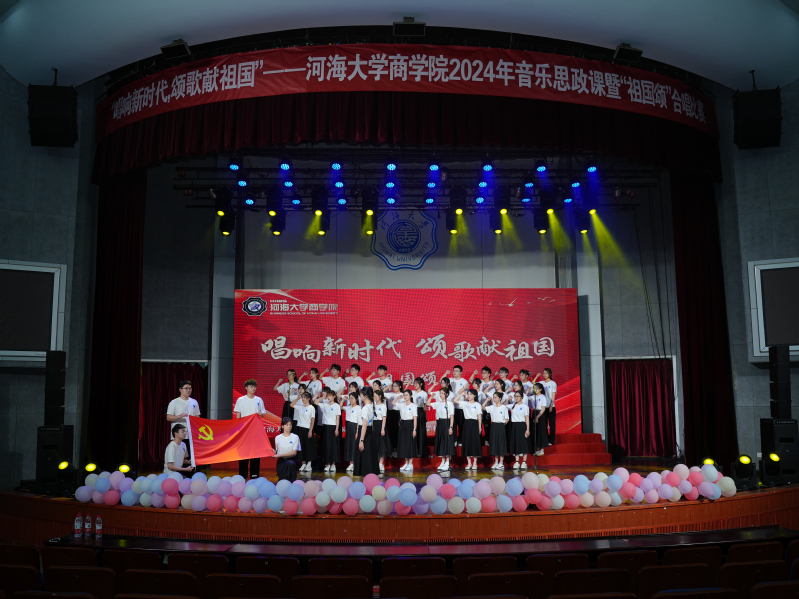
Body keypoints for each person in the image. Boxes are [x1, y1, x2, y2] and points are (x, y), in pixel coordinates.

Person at [234, 379, 266, 479]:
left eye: (254, 387)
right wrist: (238, 429)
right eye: (251, 386)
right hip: (244, 430)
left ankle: (254, 474)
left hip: (256, 430)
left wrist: (261, 414)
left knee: (255, 452)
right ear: (246, 388)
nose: (253, 388)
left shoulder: (259, 400)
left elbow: (263, 414)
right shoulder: (240, 400)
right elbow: (238, 415)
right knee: (243, 452)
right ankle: (242, 475)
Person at [166, 380, 201, 462]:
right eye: (186, 388)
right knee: (179, 458)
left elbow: (197, 417)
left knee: (190, 458)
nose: (189, 390)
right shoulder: (174, 402)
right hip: (179, 436)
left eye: (190, 388)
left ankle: (191, 470)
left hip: (191, 435)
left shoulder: (194, 402)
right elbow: (168, 417)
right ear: (180, 389)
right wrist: (179, 416)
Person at [427, 387, 455, 471]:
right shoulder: (438, 403)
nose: (441, 395)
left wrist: (451, 427)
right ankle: (442, 462)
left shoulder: (449, 404)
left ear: (447, 394)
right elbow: (428, 403)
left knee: (447, 442)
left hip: (446, 423)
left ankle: (447, 462)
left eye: (442, 393)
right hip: (439, 423)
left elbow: (452, 416)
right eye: (440, 393)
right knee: (441, 442)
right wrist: (431, 396)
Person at [315, 387, 341, 472]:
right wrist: (323, 397)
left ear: (334, 396)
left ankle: (333, 464)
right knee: (326, 445)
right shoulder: (325, 405)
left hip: (333, 427)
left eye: (330, 396)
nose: (329, 397)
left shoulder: (336, 406)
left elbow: (337, 418)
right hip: (325, 427)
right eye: (328, 396)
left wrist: (337, 429)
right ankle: (327, 464)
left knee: (333, 445)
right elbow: (315, 402)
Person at [354, 387, 379, 476]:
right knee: (369, 456)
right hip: (369, 433)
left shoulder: (365, 408)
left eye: (361, 394)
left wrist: (361, 440)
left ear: (365, 396)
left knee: (365, 456)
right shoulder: (371, 406)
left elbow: (364, 425)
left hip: (365, 433)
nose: (360, 396)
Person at [456, 389, 483, 470]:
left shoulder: (477, 405)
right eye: (468, 394)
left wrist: (479, 427)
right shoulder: (465, 403)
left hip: (474, 423)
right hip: (466, 424)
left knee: (475, 443)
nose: (469, 396)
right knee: (467, 442)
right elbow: (455, 400)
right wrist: (462, 395)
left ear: (474, 395)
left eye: (470, 394)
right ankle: (469, 463)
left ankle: (475, 463)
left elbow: (479, 416)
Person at [483, 391, 509, 469]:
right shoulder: (492, 407)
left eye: (495, 397)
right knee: (494, 443)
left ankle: (501, 463)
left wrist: (501, 425)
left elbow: (507, 419)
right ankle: (496, 462)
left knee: (501, 443)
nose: (494, 399)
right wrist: (486, 400)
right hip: (494, 425)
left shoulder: (504, 407)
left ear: (500, 398)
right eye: (493, 397)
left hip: (501, 426)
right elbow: (483, 407)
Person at [292, 392, 317, 472]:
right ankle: (303, 463)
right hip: (299, 428)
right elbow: (291, 405)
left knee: (308, 447)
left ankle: (309, 464)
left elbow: (312, 420)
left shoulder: (311, 408)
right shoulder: (300, 407)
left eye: (304, 397)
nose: (303, 399)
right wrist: (297, 399)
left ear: (309, 399)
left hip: (307, 429)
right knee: (301, 446)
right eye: (302, 397)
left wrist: (310, 431)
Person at [395, 389, 418, 472]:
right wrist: (398, 397)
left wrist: (414, 429)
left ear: (411, 396)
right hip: (402, 425)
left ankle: (410, 464)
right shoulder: (402, 404)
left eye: (407, 395)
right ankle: (406, 462)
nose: (405, 396)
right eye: (404, 395)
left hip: (409, 425)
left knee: (409, 444)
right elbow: (393, 403)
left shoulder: (413, 406)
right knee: (404, 444)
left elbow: (415, 418)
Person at [274, 418, 301, 482]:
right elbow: (277, 451)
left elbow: (294, 452)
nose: (289, 426)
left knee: (290, 463)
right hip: (281, 462)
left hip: (292, 461)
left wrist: (279, 455)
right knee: (282, 481)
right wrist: (273, 452)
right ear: (282, 426)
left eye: (290, 425)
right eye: (287, 425)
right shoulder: (277, 438)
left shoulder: (295, 437)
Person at [509, 390, 531, 469]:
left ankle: (524, 462)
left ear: (522, 397)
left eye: (518, 396)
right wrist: (508, 399)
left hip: (522, 425)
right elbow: (503, 405)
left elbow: (527, 418)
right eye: (515, 396)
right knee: (516, 443)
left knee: (524, 444)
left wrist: (527, 429)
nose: (516, 398)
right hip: (514, 426)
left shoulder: (525, 407)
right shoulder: (513, 405)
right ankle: (517, 462)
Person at [372, 389, 391, 473]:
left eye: (376, 396)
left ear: (380, 396)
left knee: (381, 443)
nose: (374, 397)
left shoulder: (383, 406)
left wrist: (382, 428)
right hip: (373, 425)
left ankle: (381, 463)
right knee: (374, 444)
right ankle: (375, 462)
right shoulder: (372, 405)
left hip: (380, 424)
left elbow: (384, 417)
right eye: (373, 396)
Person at [450, 365, 469, 447]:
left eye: (457, 371)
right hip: (452, 406)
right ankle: (454, 440)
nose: (455, 372)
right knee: (453, 424)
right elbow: (441, 382)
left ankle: (460, 440)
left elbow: (466, 395)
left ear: (461, 372)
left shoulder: (464, 382)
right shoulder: (450, 380)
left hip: (461, 407)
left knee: (461, 425)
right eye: (454, 370)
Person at [343, 392, 361, 472]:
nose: (350, 400)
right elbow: (340, 407)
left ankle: (354, 463)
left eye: (352, 398)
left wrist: (357, 431)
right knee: (349, 444)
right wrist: (343, 400)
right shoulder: (348, 407)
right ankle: (350, 463)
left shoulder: (358, 408)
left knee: (354, 445)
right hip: (349, 427)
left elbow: (359, 421)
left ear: (356, 399)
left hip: (354, 427)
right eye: (350, 398)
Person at [385, 380, 403, 455]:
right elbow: (379, 393)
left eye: (396, 386)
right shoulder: (390, 394)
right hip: (390, 414)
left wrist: (401, 418)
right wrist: (386, 388)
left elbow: (403, 407)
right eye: (393, 386)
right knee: (390, 432)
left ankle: (397, 450)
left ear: (400, 387)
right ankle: (391, 450)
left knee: (397, 432)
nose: (394, 387)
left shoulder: (402, 395)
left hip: (398, 414)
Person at [412, 377, 429, 458]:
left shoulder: (424, 394)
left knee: (420, 431)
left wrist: (425, 416)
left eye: (417, 383)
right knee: (413, 431)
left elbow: (425, 406)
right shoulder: (412, 392)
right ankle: (413, 451)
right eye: (414, 383)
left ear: (421, 384)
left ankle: (421, 451)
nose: (415, 385)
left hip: (420, 412)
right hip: (412, 412)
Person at [541, 368, 558, 445]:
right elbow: (533, 385)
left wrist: (551, 405)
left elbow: (553, 395)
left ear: (550, 374)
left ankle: (551, 441)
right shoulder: (542, 383)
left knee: (552, 424)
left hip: (551, 407)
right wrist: (536, 376)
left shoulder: (553, 383)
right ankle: (546, 440)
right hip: (544, 407)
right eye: (544, 373)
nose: (545, 375)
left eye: (546, 373)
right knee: (544, 424)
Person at [532, 382, 548, 456]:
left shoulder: (543, 397)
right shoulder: (533, 397)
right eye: (534, 388)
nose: (534, 390)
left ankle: (542, 450)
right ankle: (537, 449)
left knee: (541, 431)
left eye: (536, 388)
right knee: (536, 432)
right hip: (534, 413)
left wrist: (537, 417)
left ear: (540, 389)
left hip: (540, 415)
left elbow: (543, 409)